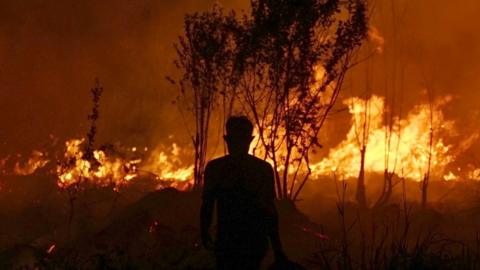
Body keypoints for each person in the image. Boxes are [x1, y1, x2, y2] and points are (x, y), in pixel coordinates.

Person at [200, 116, 288, 270]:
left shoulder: (216, 168)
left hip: (231, 242)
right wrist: (277, 247)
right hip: (249, 243)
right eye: (237, 139)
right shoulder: (261, 169)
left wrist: (204, 230)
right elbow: (269, 210)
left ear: (226, 139)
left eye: (241, 139)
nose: (239, 144)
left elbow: (207, 204)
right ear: (251, 139)